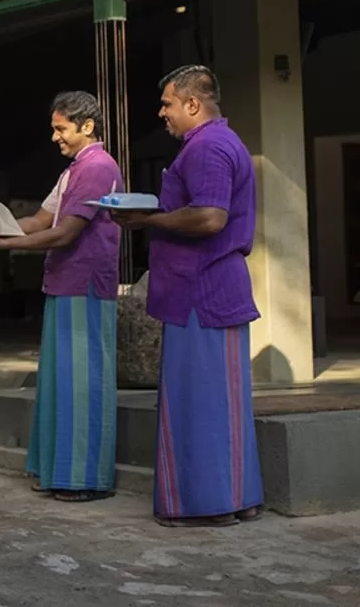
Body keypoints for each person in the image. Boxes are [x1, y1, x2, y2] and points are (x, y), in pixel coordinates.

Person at [110, 65, 265, 527]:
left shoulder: (206, 147)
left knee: (194, 402)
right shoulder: (226, 141)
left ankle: (205, 504)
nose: (162, 113)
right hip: (220, 287)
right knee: (225, 401)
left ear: (192, 104)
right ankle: (237, 498)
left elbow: (210, 217)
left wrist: (148, 220)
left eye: (167, 104)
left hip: (200, 290)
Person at [0, 91, 122, 502]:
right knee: (62, 382)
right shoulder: (74, 170)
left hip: (85, 285)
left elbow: (65, 232)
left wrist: (6, 246)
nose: (55, 137)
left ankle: (83, 478)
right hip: (65, 283)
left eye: (61, 128)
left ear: (86, 127)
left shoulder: (96, 167)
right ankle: (60, 471)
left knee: (82, 383)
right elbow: (40, 219)